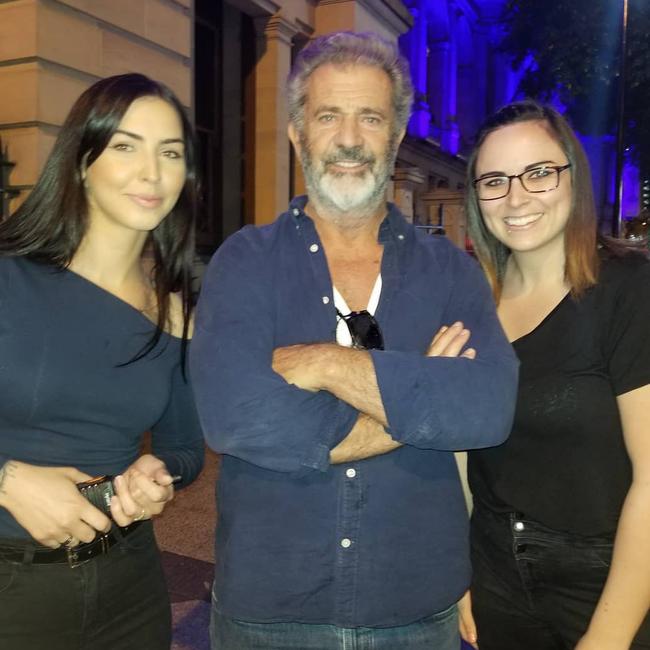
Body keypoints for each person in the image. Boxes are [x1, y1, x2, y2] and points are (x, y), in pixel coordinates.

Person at [191, 31, 518, 650]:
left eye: (370, 118)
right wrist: (420, 395)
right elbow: (238, 418)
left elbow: (485, 407)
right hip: (269, 614)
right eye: (328, 116)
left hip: (415, 613)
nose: (348, 140)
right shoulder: (244, 263)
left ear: (394, 138)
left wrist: (323, 364)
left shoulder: (448, 270)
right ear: (297, 134)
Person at [0, 73, 205, 650]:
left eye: (170, 152)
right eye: (125, 146)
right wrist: (8, 480)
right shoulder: (11, 276)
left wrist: (157, 476)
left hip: (129, 586)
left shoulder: (175, 306)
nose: (153, 172)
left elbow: (185, 445)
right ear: (81, 160)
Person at [461, 100, 650, 649]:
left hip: (607, 582)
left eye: (539, 173)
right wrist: (458, 576)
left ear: (573, 176)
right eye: (494, 180)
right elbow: (460, 463)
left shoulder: (627, 291)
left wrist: (608, 638)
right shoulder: (468, 305)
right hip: (494, 579)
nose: (516, 197)